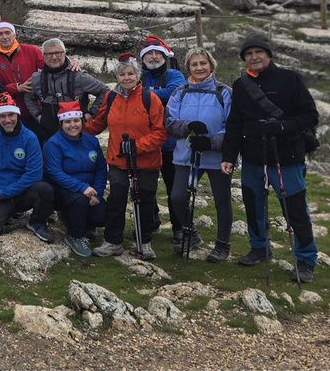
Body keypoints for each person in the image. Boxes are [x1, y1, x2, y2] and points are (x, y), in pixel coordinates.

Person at [222, 34, 320, 282]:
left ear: (268, 54)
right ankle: (259, 248)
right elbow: (234, 123)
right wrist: (229, 156)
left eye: (259, 52)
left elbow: (310, 116)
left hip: (287, 157)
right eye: (249, 54)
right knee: (254, 205)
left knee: (295, 208)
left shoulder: (290, 79)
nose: (254, 57)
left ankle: (306, 259)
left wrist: (284, 127)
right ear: (244, 58)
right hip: (253, 157)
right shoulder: (241, 85)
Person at [85, 55, 168, 260]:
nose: (126, 77)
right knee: (116, 198)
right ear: (117, 77)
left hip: (146, 160)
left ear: (138, 75)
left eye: (130, 73)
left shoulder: (151, 98)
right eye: (122, 74)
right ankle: (113, 241)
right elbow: (98, 124)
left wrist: (136, 146)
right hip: (118, 160)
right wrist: (77, 130)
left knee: (145, 198)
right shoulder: (111, 98)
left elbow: (161, 132)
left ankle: (144, 241)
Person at [165, 47, 234, 262]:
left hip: (217, 157)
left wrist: (212, 142)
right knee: (177, 197)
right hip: (186, 153)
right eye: (194, 64)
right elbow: (169, 122)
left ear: (211, 65)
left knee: (222, 201)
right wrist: (187, 127)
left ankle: (222, 245)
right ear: (188, 68)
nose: (199, 67)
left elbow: (232, 127)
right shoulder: (180, 92)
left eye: (203, 63)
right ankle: (190, 232)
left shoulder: (224, 92)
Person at [0, 93, 55, 242]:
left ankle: (37, 222)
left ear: (17, 114)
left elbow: (33, 175)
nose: (7, 120)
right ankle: (2, 217)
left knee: (45, 189)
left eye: (11, 115)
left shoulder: (30, 138)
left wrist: (4, 193)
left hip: (22, 194)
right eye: (2, 116)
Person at [138, 34, 188, 240]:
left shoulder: (174, 74)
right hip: (146, 142)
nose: (152, 57)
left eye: (156, 53)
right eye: (148, 54)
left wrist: (145, 92)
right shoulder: (138, 75)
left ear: (164, 56)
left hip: (170, 143)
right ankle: (151, 223)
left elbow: (173, 93)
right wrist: (156, 91)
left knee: (174, 188)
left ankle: (180, 228)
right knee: (145, 188)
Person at [43, 101, 107, 257]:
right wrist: (82, 187)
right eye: (67, 122)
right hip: (62, 191)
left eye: (76, 120)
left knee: (104, 215)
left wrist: (97, 193)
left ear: (82, 121)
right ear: (61, 124)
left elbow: (100, 168)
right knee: (79, 200)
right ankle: (74, 235)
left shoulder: (91, 141)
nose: (72, 125)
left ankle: (84, 224)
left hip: (89, 190)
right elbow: (54, 172)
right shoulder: (53, 144)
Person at [24, 38, 110, 144]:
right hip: (48, 134)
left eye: (58, 53)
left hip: (77, 132)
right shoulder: (37, 78)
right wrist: (38, 115)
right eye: (49, 54)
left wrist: (91, 114)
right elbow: (29, 97)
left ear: (64, 53)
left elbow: (105, 91)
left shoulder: (79, 76)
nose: (54, 57)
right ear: (43, 56)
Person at [0, 21, 46, 133]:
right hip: (10, 110)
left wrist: (70, 62)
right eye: (0, 34)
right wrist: (17, 88)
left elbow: (50, 66)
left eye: (8, 32)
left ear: (14, 34)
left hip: (35, 107)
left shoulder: (32, 50)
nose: (4, 37)